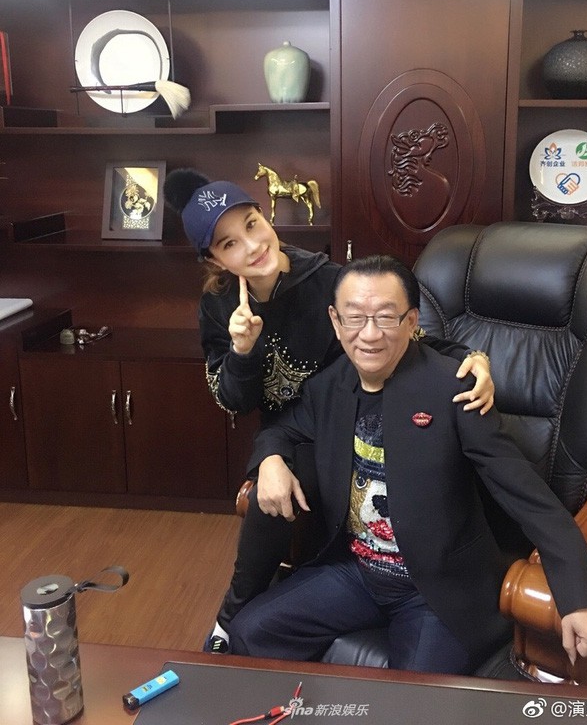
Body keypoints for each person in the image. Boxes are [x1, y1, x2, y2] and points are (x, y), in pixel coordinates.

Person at [228, 255, 587, 674]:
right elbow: (281, 428)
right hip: (358, 571)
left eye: (386, 317)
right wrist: (270, 459)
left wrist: (581, 595)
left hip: (435, 589)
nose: (369, 334)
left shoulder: (455, 390)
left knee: (412, 698)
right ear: (336, 322)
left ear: (411, 322)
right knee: (250, 632)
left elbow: (526, 493)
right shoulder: (329, 386)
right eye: (354, 318)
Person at [163, 169, 495, 653]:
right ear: (214, 259)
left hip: (346, 422)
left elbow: (407, 338)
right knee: (268, 494)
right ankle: (232, 620)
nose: (252, 246)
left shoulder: (327, 279)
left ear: (265, 217)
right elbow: (234, 401)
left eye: (253, 224)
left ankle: (287, 604)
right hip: (285, 432)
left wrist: (474, 358)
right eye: (230, 244)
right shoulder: (218, 305)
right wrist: (242, 351)